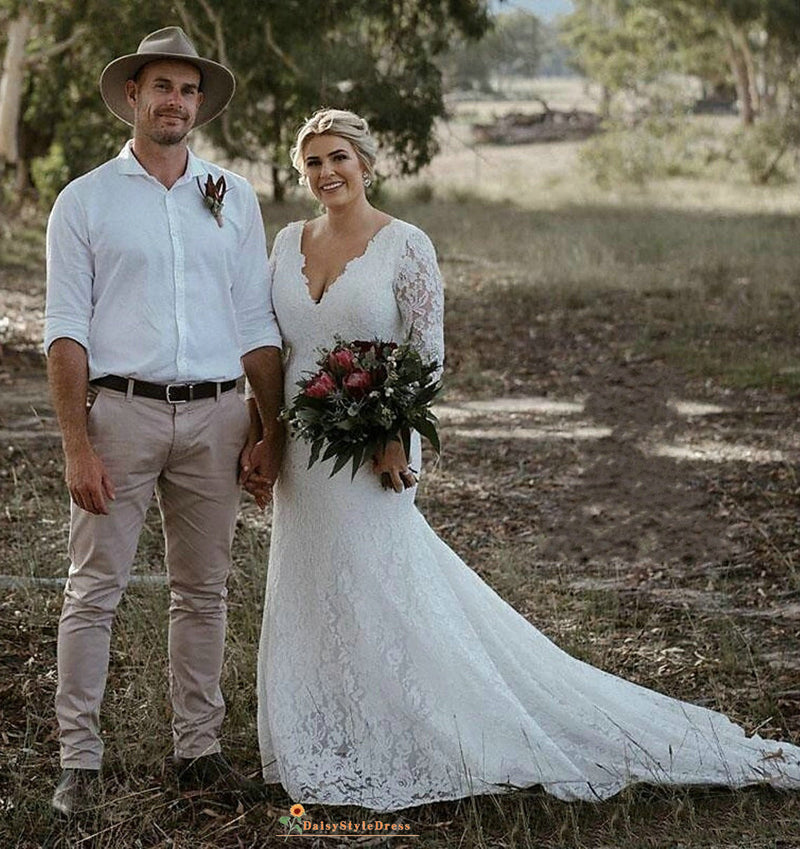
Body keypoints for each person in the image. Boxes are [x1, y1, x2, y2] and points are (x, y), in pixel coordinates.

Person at [245, 107, 800, 813]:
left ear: (367, 164)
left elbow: (426, 353)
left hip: (370, 443)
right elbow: (275, 349)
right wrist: (263, 433)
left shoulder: (405, 244)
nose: (326, 173)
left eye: (338, 159)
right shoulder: (287, 240)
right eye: (313, 163)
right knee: (312, 577)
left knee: (381, 580)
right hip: (302, 447)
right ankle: (327, 724)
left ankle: (416, 719)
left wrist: (392, 432)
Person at [44, 26, 283, 817]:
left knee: (204, 591)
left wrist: (269, 427)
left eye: (189, 89)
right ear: (133, 97)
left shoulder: (233, 195)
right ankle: (78, 758)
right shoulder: (84, 200)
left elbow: (255, 320)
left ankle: (199, 748)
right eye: (162, 87)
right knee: (94, 589)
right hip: (119, 414)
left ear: (199, 103)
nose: (176, 101)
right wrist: (77, 444)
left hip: (218, 417)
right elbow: (65, 331)